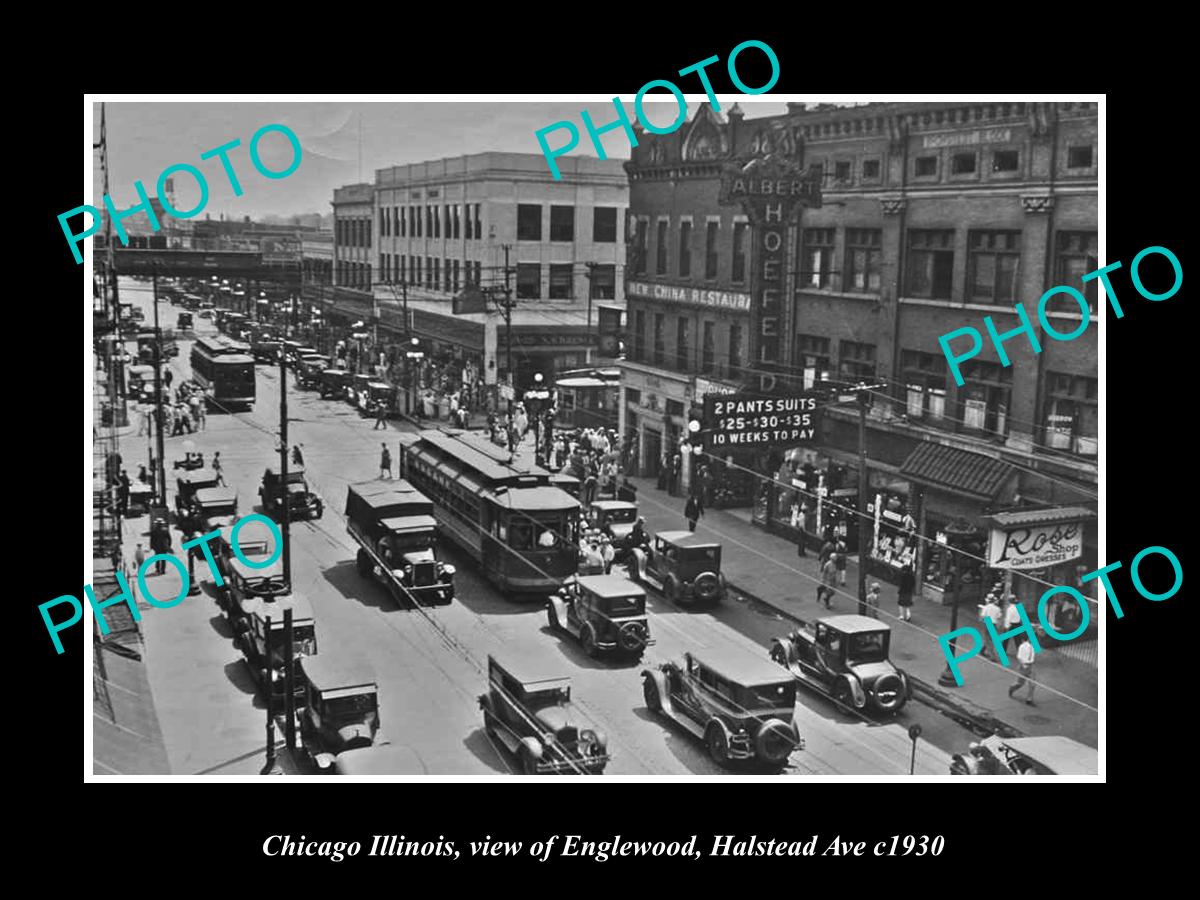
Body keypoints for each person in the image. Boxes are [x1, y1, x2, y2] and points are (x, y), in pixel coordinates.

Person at [1008, 635, 1037, 706]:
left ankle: (1029, 699)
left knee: (1033, 684)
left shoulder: (1032, 646)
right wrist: (1023, 665)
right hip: (1024, 666)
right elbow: (1019, 657)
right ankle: (1011, 688)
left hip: (1031, 665)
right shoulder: (1022, 646)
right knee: (1020, 683)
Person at [979, 594, 1003, 660]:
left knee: (988, 639)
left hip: (987, 623)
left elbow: (983, 616)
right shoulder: (998, 609)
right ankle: (982, 650)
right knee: (990, 638)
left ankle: (992, 656)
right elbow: (999, 617)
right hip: (994, 624)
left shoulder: (986, 607)